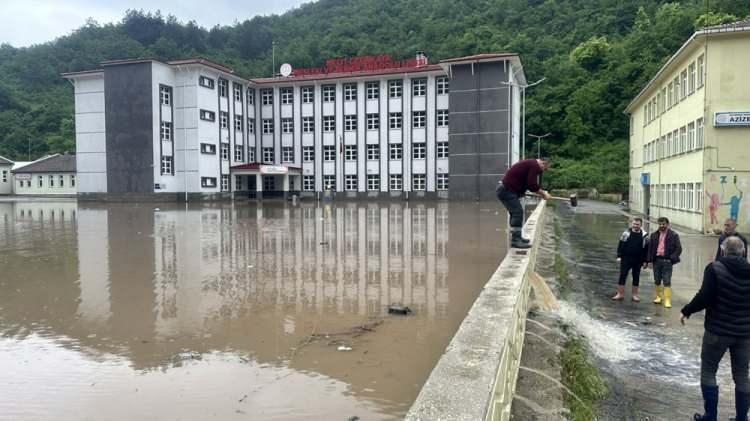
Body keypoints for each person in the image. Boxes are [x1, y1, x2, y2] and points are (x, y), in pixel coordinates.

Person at [681, 237, 750, 421]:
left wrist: (687, 311)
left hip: (717, 331)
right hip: (744, 334)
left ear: (722, 250)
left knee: (709, 371)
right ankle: (742, 418)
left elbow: (705, 297)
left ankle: (710, 416)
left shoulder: (714, 269)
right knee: (742, 375)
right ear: (743, 251)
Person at [496, 157, 552, 249]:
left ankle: (517, 237)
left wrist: (541, 192)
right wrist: (543, 193)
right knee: (517, 212)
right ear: (543, 163)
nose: (543, 170)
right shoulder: (534, 165)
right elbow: (532, 185)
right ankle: (515, 240)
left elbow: (528, 184)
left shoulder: (531, 164)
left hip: (506, 190)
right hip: (506, 190)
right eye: (545, 168)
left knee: (515, 213)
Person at [646, 217, 682, 308]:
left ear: (667, 224)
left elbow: (679, 249)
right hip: (656, 260)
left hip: (667, 261)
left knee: (667, 280)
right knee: (657, 279)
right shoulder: (654, 235)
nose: (662, 226)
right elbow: (650, 249)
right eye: (660, 224)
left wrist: (671, 258)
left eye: (663, 224)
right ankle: (658, 297)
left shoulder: (673, 235)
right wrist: (649, 261)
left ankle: (667, 299)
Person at [613, 217, 648, 302]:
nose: (636, 226)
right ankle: (620, 294)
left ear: (641, 225)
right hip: (626, 258)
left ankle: (634, 295)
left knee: (636, 277)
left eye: (638, 224)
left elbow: (646, 249)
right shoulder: (626, 233)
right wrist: (619, 256)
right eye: (634, 224)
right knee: (623, 275)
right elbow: (621, 245)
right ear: (632, 224)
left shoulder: (645, 235)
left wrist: (645, 261)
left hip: (638, 260)